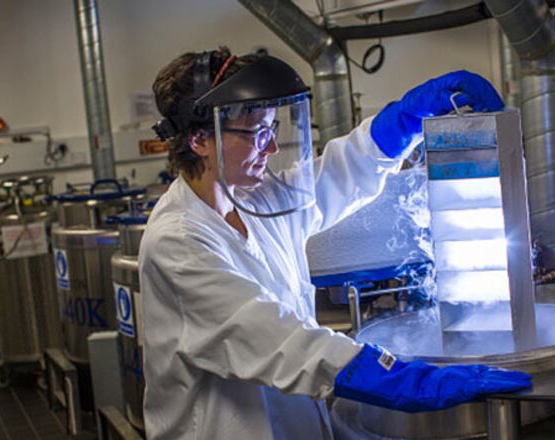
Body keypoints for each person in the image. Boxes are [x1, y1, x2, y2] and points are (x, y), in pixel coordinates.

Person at [140, 46, 532, 440]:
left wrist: (405, 120)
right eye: (258, 133)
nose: (271, 148)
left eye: (272, 130)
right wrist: (410, 381)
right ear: (200, 139)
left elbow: (338, 174)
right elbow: (285, 344)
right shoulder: (179, 243)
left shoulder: (255, 199)